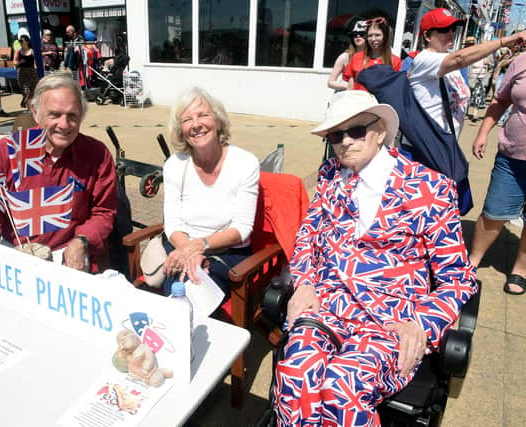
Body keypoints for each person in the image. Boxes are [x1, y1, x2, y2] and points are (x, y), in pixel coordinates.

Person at [273, 90, 477, 425]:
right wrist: (305, 283)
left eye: (356, 131)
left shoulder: (430, 188)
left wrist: (422, 324)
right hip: (328, 305)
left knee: (342, 385)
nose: (344, 143)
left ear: (381, 130)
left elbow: (458, 277)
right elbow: (307, 237)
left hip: (392, 320)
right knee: (295, 369)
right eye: (335, 135)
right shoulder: (329, 176)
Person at [0, 73, 118, 287]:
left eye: (72, 115)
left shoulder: (96, 154)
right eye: (55, 114)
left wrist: (82, 241)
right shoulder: (6, 152)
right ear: (36, 113)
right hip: (16, 256)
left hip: (70, 257)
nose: (65, 124)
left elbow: (103, 212)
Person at [161, 87, 260, 296]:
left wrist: (200, 247)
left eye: (203, 115)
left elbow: (242, 229)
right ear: (180, 129)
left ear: (217, 120)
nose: (196, 125)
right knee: (177, 289)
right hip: (182, 245)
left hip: (228, 252)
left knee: (196, 292)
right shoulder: (174, 165)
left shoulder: (245, 163)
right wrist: (189, 251)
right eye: (187, 120)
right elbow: (173, 224)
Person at [408, 8, 526, 139]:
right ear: (427, 36)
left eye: (453, 28)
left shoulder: (448, 58)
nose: (451, 33)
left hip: (445, 142)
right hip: (424, 142)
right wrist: (503, 41)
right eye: (444, 29)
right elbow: (460, 59)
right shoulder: (424, 59)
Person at [470, 52, 526, 294]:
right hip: (512, 157)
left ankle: (520, 269)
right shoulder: (521, 61)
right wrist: (483, 132)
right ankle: (472, 260)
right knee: (494, 211)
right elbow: (500, 100)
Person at [344, 17, 401, 91]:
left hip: (380, 102)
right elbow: (350, 85)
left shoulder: (395, 61)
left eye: (377, 35)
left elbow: (395, 89)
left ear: (385, 36)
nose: (373, 39)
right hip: (358, 100)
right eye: (370, 35)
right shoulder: (356, 57)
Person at [327, 17, 366, 91]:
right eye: (354, 34)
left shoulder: (373, 56)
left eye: (361, 33)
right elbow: (330, 82)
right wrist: (348, 85)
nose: (358, 36)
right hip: (346, 97)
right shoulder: (345, 57)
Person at [14, 35, 39, 109]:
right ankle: (29, 108)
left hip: (32, 72)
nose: (21, 42)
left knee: (33, 91)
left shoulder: (32, 50)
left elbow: (35, 60)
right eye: (20, 41)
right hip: (22, 73)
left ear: (27, 41)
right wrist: (19, 62)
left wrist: (35, 65)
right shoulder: (18, 51)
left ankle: (30, 107)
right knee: (26, 91)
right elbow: (14, 62)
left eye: (22, 41)